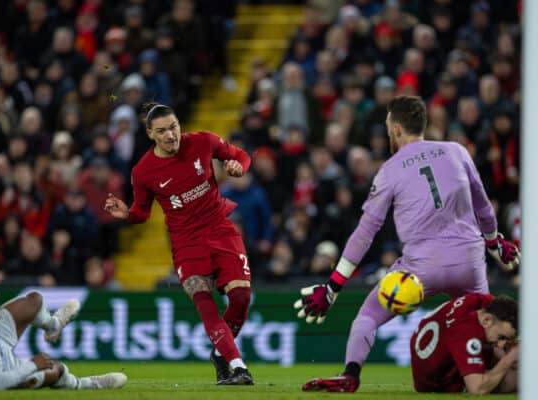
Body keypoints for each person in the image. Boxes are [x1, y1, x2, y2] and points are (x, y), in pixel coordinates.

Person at [293, 95, 520, 392]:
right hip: (469, 261)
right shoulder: (457, 151)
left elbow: (365, 232)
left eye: (388, 125)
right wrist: (495, 243)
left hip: (419, 269)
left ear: (397, 129)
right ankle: (498, 374)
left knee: (367, 317)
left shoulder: (389, 170)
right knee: (484, 324)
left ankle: (350, 374)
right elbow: (484, 208)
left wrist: (333, 286)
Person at [104, 102, 254, 385]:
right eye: (161, 131)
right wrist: (125, 214)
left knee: (241, 298)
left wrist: (238, 166)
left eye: (173, 127)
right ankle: (237, 366)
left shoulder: (203, 142)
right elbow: (141, 213)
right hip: (186, 243)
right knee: (205, 302)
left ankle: (221, 353)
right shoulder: (143, 172)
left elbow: (240, 156)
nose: (170, 135)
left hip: (220, 229)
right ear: (150, 134)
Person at [0, 248, 127, 390]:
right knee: (55, 369)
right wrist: (33, 364)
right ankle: (86, 384)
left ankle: (53, 326)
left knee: (33, 301)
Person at [410, 294, 518, 394]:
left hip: (436, 350)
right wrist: (509, 358)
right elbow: (476, 389)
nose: (501, 344)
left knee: (511, 355)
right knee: (514, 379)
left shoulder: (482, 302)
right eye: (501, 337)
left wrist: (511, 347)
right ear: (486, 320)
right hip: (436, 382)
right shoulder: (466, 334)